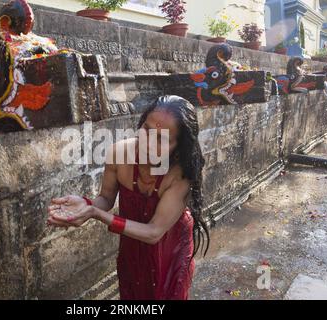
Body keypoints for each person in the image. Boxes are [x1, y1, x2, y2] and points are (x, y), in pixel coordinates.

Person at [47, 95, 210, 300]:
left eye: (161, 138)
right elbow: (105, 198)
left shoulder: (181, 175)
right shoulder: (119, 153)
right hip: (132, 242)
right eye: (147, 130)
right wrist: (86, 204)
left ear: (178, 148)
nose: (148, 142)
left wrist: (95, 213)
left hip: (170, 244)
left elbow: (153, 232)